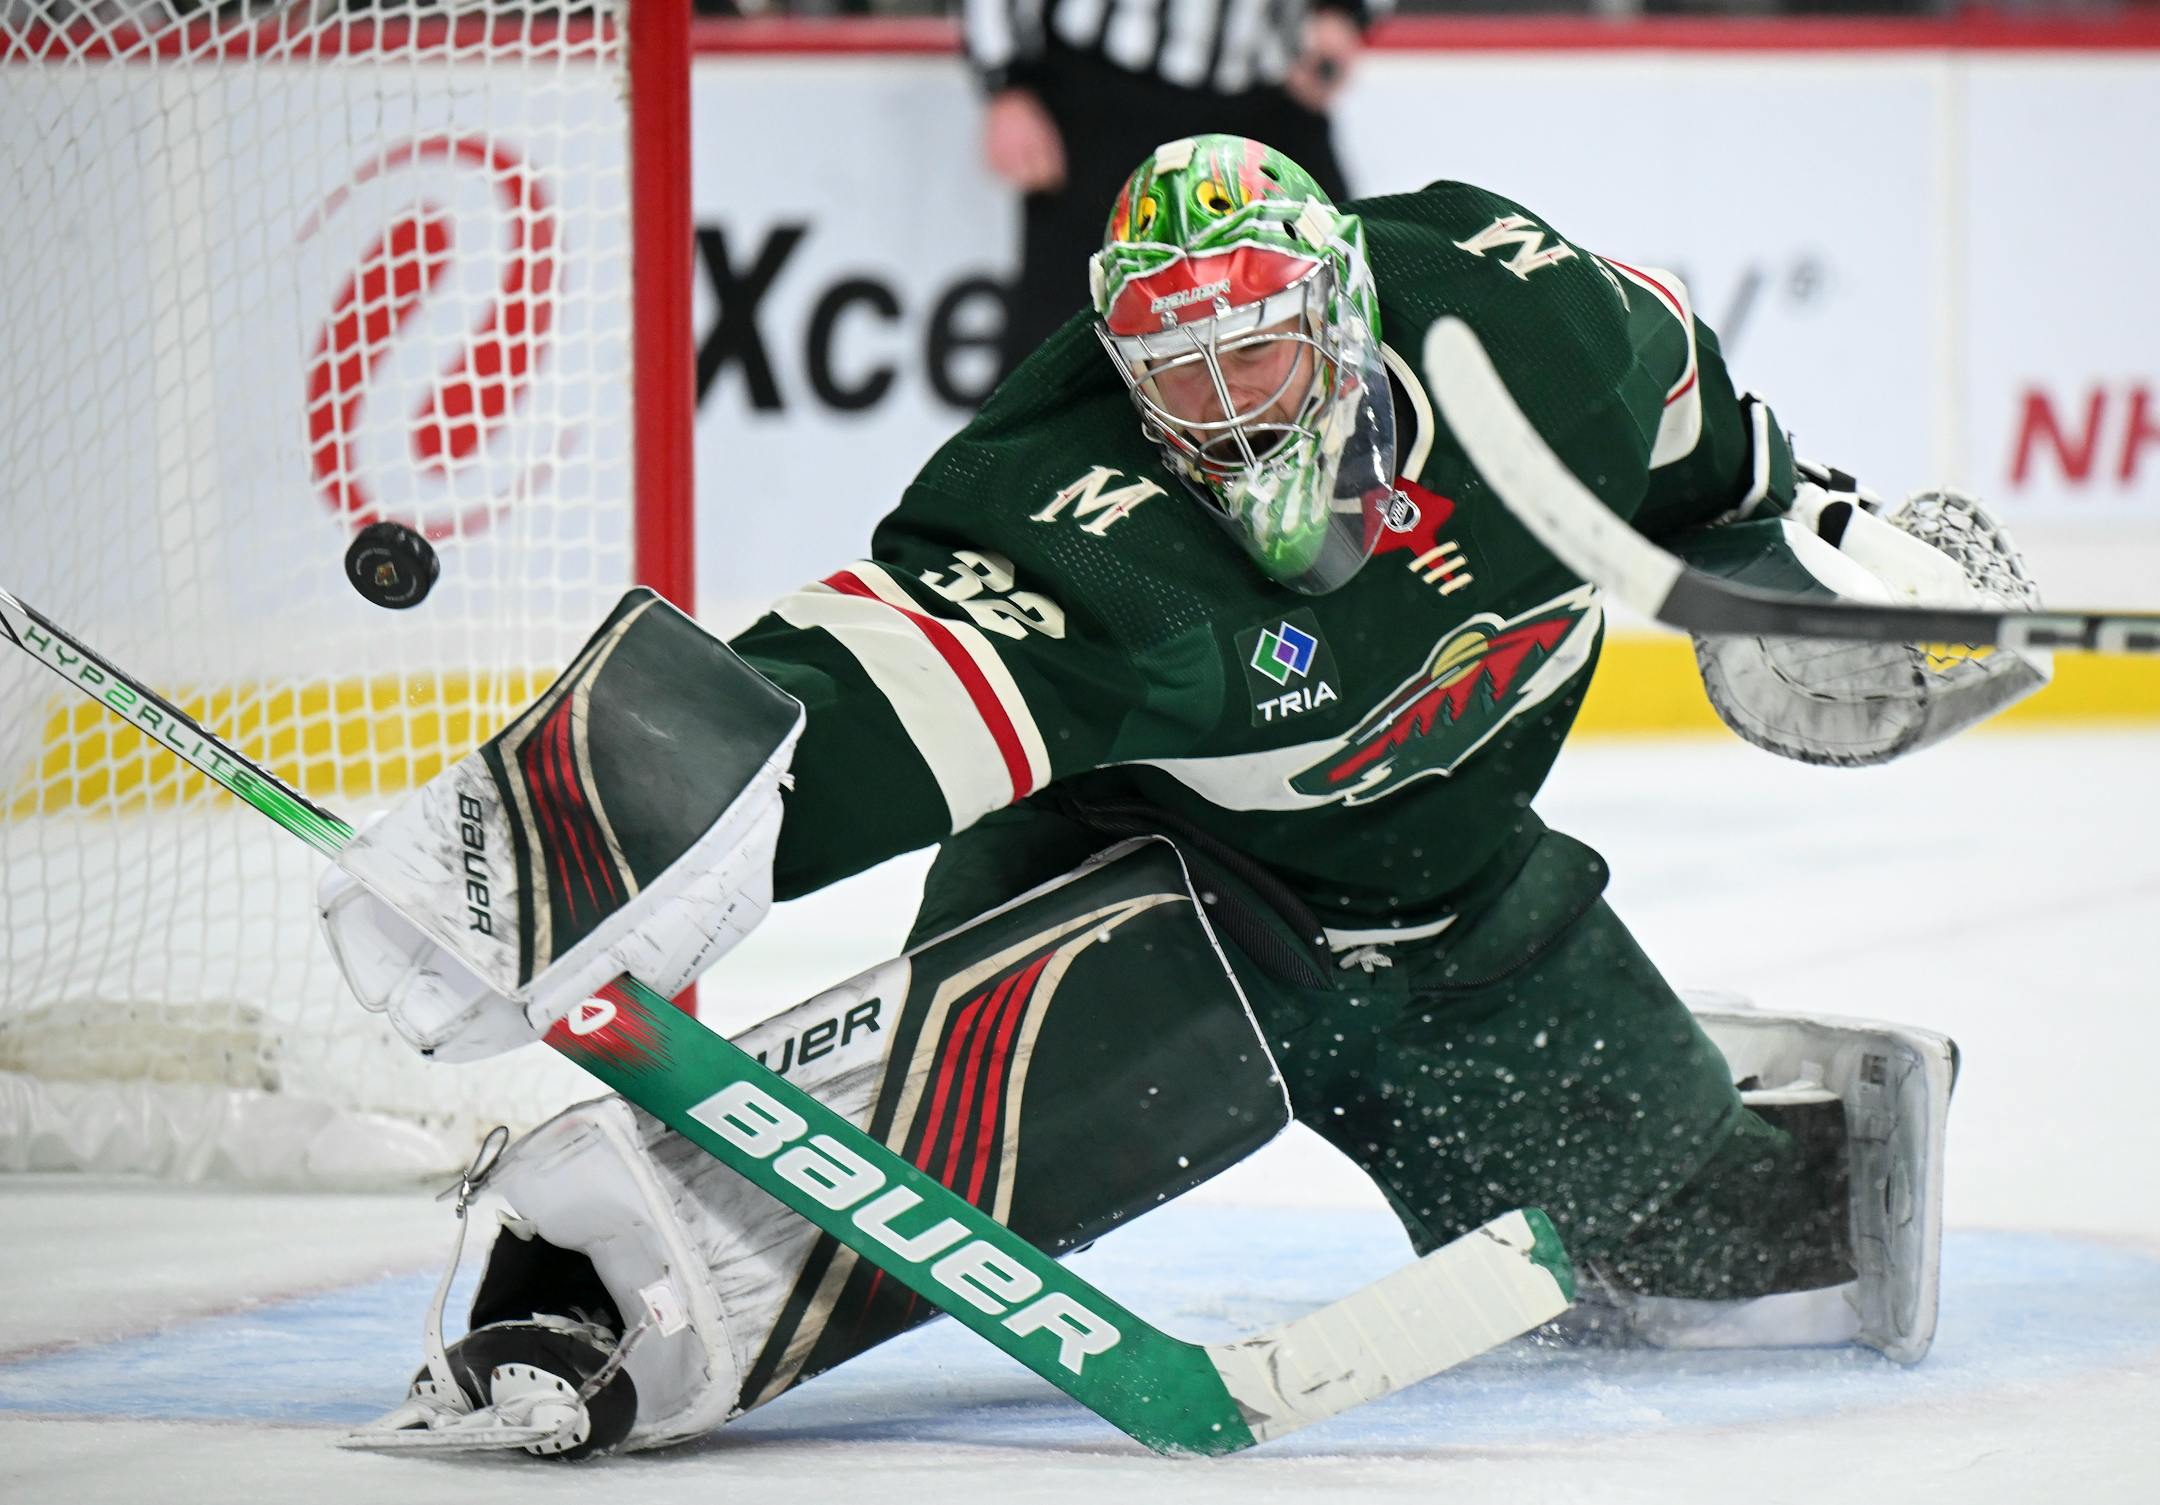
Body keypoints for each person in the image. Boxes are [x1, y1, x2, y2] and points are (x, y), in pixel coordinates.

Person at [321, 135, 2047, 1457]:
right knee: (867, 1209)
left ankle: (1728, 1084)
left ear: (1344, 302)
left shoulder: (1545, 334)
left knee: (1753, 1265)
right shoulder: (1080, 519)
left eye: (1256, 351)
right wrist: (566, 829)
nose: (1219, 408)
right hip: (1151, 916)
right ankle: (573, 1301)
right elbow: (848, 697)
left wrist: (1829, 574)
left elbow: (1729, 477)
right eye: (1174, 365)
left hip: (1462, 929)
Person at [969, 0, 1383, 379]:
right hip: (1106, 91)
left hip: (1269, 88)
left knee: (1346, 311)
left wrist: (1343, 12)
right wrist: (1007, 81)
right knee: (1062, 345)